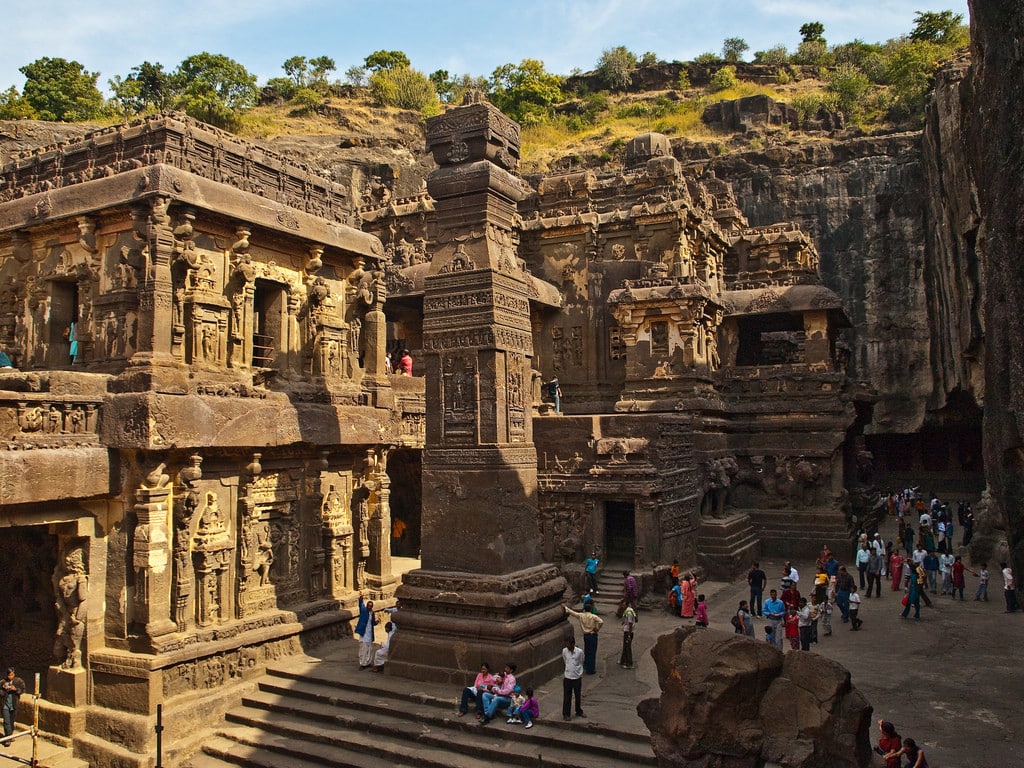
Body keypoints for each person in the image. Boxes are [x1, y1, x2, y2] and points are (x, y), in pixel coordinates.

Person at [564, 603, 603, 675]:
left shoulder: (581, 615)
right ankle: (590, 669)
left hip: (586, 635)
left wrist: (566, 607)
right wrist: (597, 628)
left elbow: (573, 613)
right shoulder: (593, 616)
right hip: (592, 635)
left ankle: (586, 665)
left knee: (587, 650)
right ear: (591, 609)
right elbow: (601, 621)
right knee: (592, 652)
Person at [561, 637, 585, 721]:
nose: (567, 646)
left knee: (577, 695)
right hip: (568, 677)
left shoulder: (579, 652)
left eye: (568, 644)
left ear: (572, 644)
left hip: (577, 677)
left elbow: (582, 661)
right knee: (567, 697)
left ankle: (578, 710)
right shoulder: (564, 651)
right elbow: (565, 660)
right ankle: (566, 713)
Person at [1, 668, 25, 746]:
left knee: (11, 721)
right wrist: (4, 689)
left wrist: (15, 689)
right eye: (9, 675)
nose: (10, 676)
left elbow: (22, 690)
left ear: (14, 674)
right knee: (6, 721)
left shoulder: (18, 681)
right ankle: (7, 739)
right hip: (5, 705)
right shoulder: (2, 682)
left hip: (14, 705)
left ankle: (10, 735)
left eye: (11, 675)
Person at [354, 595, 379, 669]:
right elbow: (360, 604)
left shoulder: (372, 613)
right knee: (363, 649)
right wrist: (361, 598)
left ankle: (368, 662)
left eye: (371, 606)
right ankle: (362, 663)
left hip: (370, 633)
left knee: (369, 649)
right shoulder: (364, 611)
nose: (369, 607)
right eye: (368, 606)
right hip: (364, 633)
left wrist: (376, 622)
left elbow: (372, 623)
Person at [619, 602, 637, 668]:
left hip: (628, 632)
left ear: (626, 605)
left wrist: (629, 635)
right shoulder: (628, 611)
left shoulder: (629, 613)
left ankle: (629, 663)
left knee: (627, 647)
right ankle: (623, 660)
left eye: (623, 605)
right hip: (626, 630)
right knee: (625, 646)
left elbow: (630, 624)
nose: (622, 606)